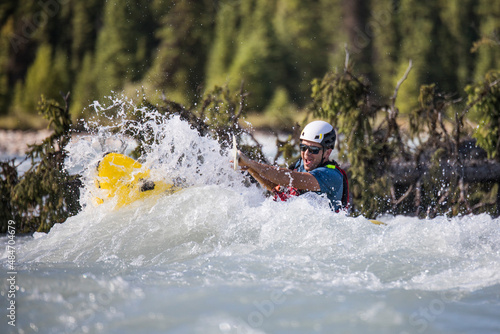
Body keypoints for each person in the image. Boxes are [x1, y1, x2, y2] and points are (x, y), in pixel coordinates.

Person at [237, 120, 349, 211]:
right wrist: (249, 168)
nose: (306, 154)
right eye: (303, 148)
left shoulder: (331, 175)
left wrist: (251, 162)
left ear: (327, 152)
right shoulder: (300, 165)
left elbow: (290, 179)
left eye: (314, 150)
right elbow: (275, 186)